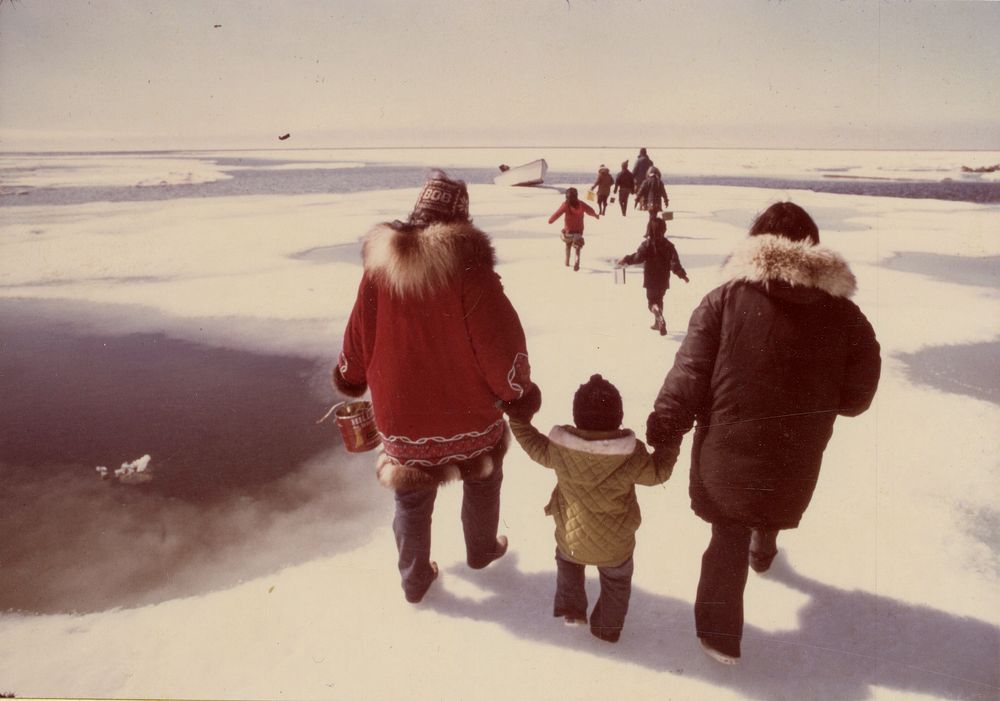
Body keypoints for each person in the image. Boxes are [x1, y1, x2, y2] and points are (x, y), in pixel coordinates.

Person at [645, 202, 881, 665]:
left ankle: (718, 639)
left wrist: (666, 431)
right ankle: (765, 548)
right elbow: (857, 400)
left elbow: (689, 376)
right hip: (796, 459)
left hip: (726, 457)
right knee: (769, 501)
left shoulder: (725, 300)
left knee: (727, 533)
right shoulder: (847, 317)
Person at [333, 170, 539, 604]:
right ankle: (481, 550)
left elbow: (357, 337)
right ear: (460, 221)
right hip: (467, 411)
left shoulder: (378, 271)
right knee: (483, 475)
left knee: (411, 495)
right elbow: (500, 345)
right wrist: (517, 393)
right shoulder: (471, 273)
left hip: (401, 413)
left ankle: (414, 579)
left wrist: (350, 378)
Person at [502, 374, 676, 643]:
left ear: (576, 418)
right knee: (616, 583)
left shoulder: (560, 449)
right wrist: (668, 444)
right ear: (618, 418)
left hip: (572, 537)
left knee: (568, 563)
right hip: (616, 545)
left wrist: (517, 419)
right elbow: (659, 474)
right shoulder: (632, 454)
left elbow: (533, 445)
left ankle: (572, 608)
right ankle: (608, 628)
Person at [617, 214, 689, 336]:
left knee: (651, 301)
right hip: (663, 279)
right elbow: (674, 263)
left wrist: (626, 259)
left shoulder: (647, 244)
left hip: (650, 278)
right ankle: (658, 320)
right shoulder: (669, 246)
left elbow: (638, 258)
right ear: (664, 229)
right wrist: (682, 275)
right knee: (660, 299)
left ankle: (656, 311)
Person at [548, 187, 599, 272]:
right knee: (577, 244)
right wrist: (595, 215)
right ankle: (577, 258)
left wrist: (550, 221)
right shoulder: (581, 204)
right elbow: (590, 210)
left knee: (567, 242)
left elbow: (557, 214)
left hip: (568, 233)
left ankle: (567, 263)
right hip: (578, 232)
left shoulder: (565, 205)